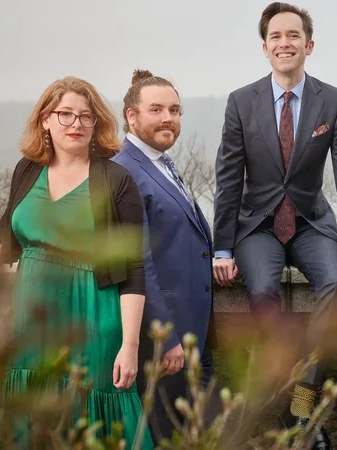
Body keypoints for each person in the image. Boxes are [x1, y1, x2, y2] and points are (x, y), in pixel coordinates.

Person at [212, 2, 337, 446]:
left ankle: (302, 394)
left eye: (293, 35)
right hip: (256, 225)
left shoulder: (334, 101)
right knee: (260, 291)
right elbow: (227, 176)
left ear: (308, 45)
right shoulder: (242, 102)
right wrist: (222, 248)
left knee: (336, 284)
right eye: (276, 37)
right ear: (265, 47)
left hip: (312, 221)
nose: (285, 43)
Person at [0, 76, 153, 448]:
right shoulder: (27, 170)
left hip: (95, 320)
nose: (76, 124)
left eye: (85, 117)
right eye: (66, 114)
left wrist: (131, 345)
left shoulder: (117, 180)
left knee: (94, 422)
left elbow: (134, 268)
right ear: (45, 120)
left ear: (96, 124)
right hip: (31, 324)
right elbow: (5, 235)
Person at [112, 69, 218, 444]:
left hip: (195, 334)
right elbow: (138, 263)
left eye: (174, 110)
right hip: (166, 342)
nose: (168, 118)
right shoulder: (124, 171)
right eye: (156, 109)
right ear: (131, 115)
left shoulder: (160, 162)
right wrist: (166, 338)